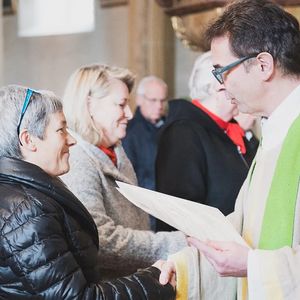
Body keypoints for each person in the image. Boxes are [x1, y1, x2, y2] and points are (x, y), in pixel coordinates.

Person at [161, 0, 300, 298]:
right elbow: (245, 225)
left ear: (263, 65)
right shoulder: (275, 129)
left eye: (222, 70)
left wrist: (253, 265)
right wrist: (186, 265)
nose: (221, 86)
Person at [0, 85, 175, 299]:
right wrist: (154, 281)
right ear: (28, 140)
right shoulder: (27, 212)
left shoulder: (28, 196)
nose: (72, 140)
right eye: (61, 130)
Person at [61, 64, 187, 279]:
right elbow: (100, 239)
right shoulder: (78, 160)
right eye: (121, 104)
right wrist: (176, 242)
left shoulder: (115, 149)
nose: (129, 114)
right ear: (90, 105)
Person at [155, 51, 258, 232]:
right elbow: (180, 210)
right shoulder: (183, 132)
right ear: (217, 88)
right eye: (236, 83)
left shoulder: (228, 128)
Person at [122, 75, 168, 191]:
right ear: (139, 99)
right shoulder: (128, 132)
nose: (159, 106)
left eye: (162, 100)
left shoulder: (171, 127)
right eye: (153, 100)